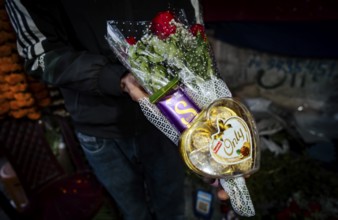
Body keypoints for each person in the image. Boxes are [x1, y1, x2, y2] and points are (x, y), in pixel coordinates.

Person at [4, 0, 198, 219]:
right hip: (100, 127)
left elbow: (193, 33)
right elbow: (38, 52)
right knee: (133, 212)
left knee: (173, 208)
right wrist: (116, 78)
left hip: (167, 116)